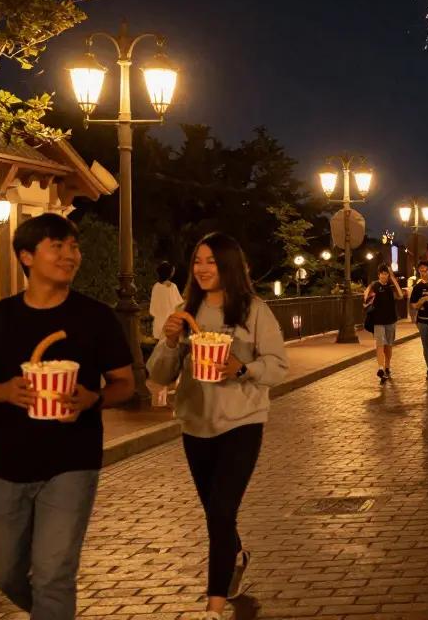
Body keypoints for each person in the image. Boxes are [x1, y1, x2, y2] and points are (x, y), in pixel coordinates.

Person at [0, 214, 136, 619]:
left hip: (73, 463)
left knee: (54, 573)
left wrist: (92, 398)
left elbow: (125, 384)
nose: (70, 255)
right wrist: (5, 390)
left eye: (73, 247)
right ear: (26, 256)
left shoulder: (95, 317)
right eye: (57, 246)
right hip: (5, 464)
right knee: (5, 573)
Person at [147, 233, 288, 620]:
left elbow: (278, 364)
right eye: (197, 261)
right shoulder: (184, 309)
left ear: (228, 265)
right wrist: (171, 343)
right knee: (215, 511)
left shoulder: (252, 310)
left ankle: (214, 604)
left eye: (211, 261)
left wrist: (243, 368)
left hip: (242, 421)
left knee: (221, 510)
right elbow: (159, 374)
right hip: (196, 422)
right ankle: (237, 553)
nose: (203, 269)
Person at [149, 261, 183, 407]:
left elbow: (152, 310)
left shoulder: (156, 287)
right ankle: (171, 386)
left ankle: (159, 396)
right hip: (171, 325)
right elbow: (179, 305)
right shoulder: (172, 287)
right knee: (172, 355)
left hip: (158, 325)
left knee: (160, 356)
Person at [364, 263, 404, 382]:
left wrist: (393, 279)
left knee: (388, 346)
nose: (384, 276)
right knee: (380, 344)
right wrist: (369, 294)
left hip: (390, 320)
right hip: (378, 320)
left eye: (386, 274)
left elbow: (401, 295)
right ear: (379, 274)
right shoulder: (374, 286)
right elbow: (366, 300)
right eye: (382, 273)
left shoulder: (391, 287)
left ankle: (387, 366)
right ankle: (380, 368)